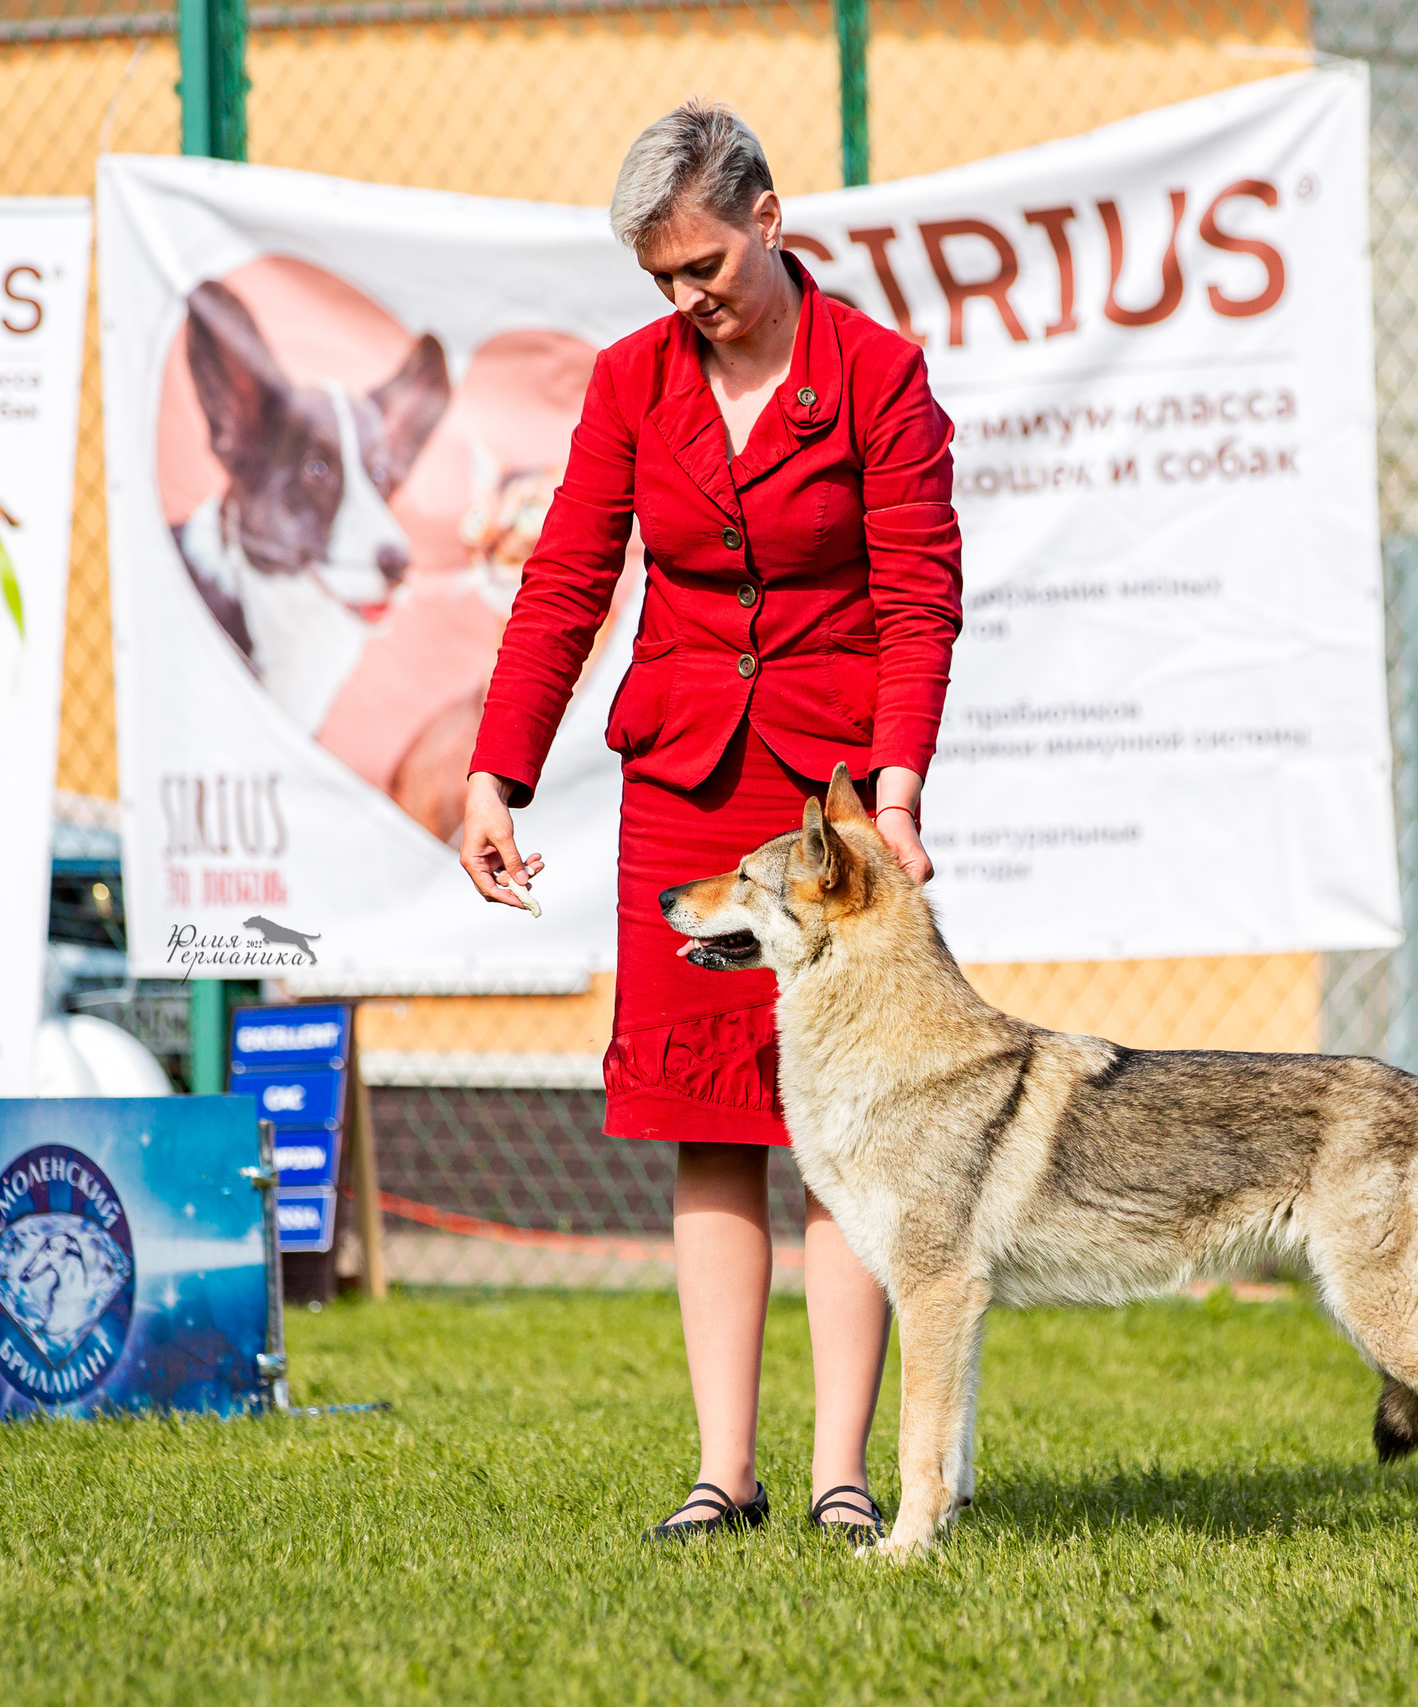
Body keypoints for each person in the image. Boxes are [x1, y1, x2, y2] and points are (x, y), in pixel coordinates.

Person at [457, 100, 963, 1543]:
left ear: (768, 219)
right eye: (661, 281)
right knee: (706, 1119)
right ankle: (721, 1472)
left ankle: (842, 1477)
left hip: (830, 811)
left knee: (851, 1126)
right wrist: (500, 772)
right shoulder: (631, 383)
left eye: (704, 272)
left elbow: (920, 595)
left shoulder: (880, 376)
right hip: (684, 787)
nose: (687, 302)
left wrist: (900, 789)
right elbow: (566, 581)